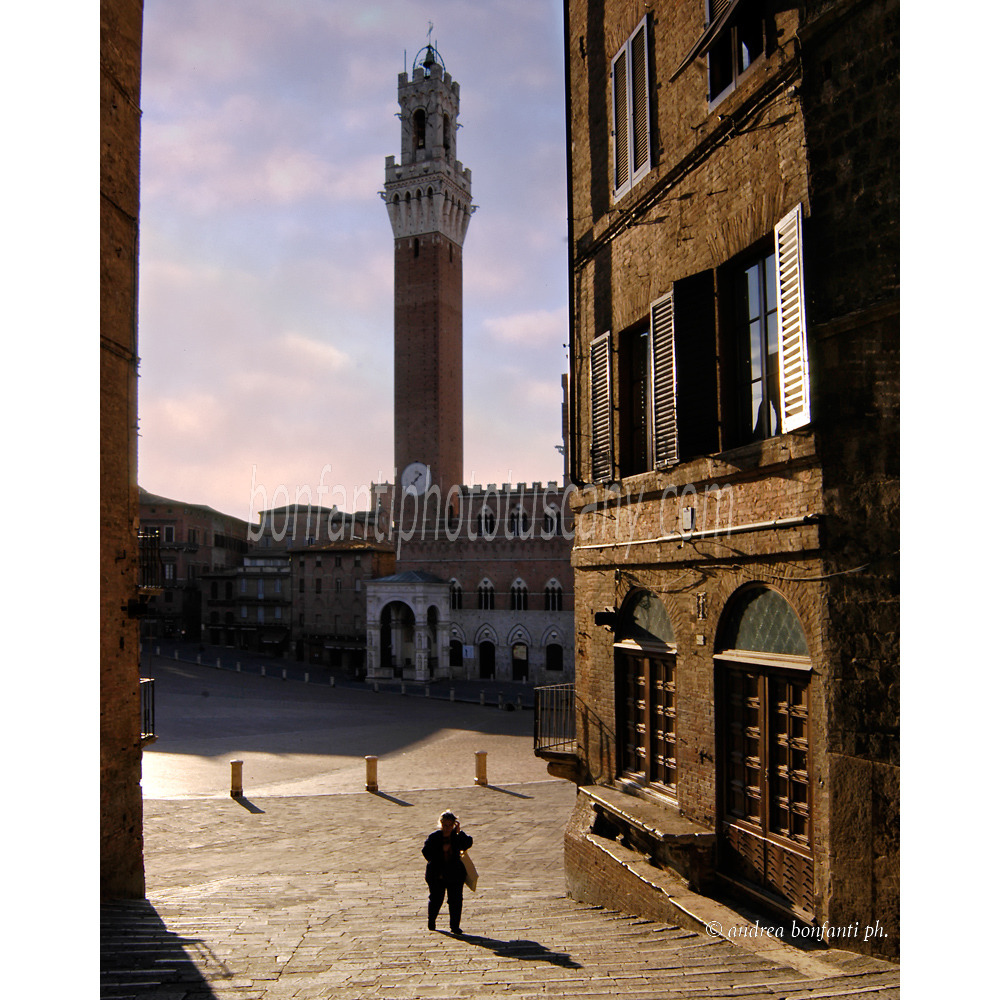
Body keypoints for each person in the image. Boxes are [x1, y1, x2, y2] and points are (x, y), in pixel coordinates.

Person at [422, 810, 473, 936]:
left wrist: (459, 832)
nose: (447, 828)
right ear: (441, 824)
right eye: (445, 825)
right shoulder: (434, 837)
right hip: (437, 874)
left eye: (450, 825)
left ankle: (455, 926)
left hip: (454, 873)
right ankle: (432, 921)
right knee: (436, 899)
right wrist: (437, 858)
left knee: (456, 900)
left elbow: (468, 843)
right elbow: (426, 851)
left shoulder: (456, 836)